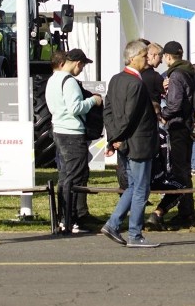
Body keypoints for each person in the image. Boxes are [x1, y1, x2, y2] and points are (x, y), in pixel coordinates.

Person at [100, 40, 161, 248]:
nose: (147, 59)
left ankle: (113, 223)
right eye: (144, 56)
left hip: (125, 142)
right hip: (137, 142)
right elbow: (130, 117)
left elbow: (108, 111)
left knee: (133, 186)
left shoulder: (116, 79)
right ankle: (135, 234)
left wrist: (113, 138)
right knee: (141, 189)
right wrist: (116, 138)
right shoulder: (136, 83)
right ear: (133, 58)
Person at [45, 48, 102, 235]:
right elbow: (75, 107)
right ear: (78, 63)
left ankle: (66, 217)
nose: (82, 69)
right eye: (83, 65)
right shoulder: (69, 81)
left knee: (66, 175)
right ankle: (73, 219)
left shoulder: (53, 79)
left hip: (59, 130)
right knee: (75, 176)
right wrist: (93, 101)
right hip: (72, 132)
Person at [146, 41, 195, 231]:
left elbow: (175, 105)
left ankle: (185, 213)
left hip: (178, 127)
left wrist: (162, 115)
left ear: (167, 57)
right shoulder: (189, 72)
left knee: (179, 171)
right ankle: (187, 211)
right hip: (188, 125)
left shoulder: (176, 75)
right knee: (184, 170)